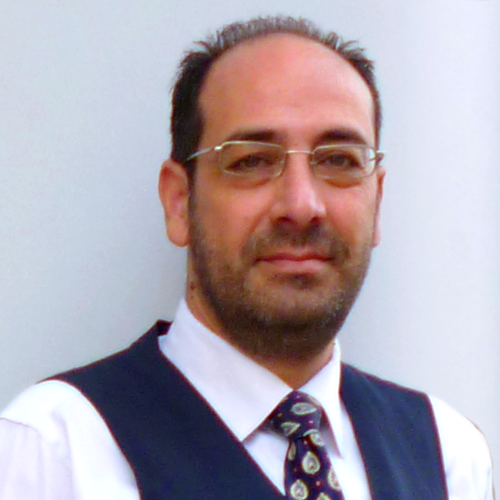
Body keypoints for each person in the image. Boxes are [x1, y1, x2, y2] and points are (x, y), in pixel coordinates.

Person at [0, 15, 494, 500]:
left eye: (338, 160)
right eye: (252, 160)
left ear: (377, 201)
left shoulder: (448, 457)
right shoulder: (58, 453)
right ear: (179, 202)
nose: (302, 206)